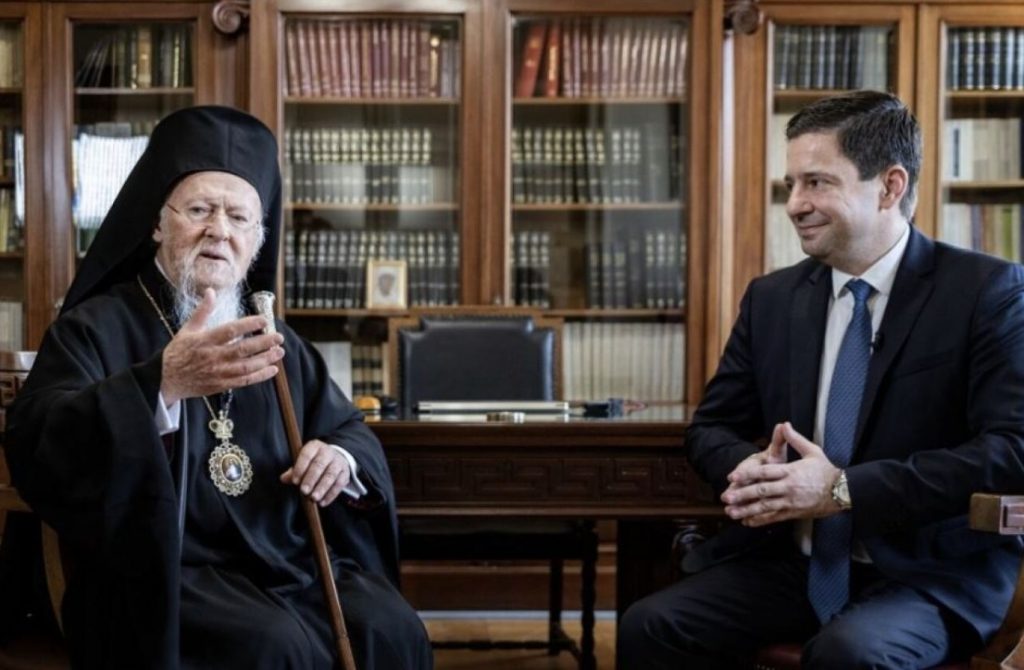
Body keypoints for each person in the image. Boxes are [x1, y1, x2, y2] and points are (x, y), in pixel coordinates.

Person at [5, 106, 433, 670]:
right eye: (199, 210)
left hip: (285, 561)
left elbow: (348, 429)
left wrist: (340, 458)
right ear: (157, 224)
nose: (219, 231)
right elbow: (39, 438)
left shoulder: (274, 339)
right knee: (273, 646)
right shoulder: (94, 327)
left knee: (391, 626)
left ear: (257, 240)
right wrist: (161, 384)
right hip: (161, 570)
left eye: (239, 217)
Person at [617, 90, 1024, 668]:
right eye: (791, 185)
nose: (795, 204)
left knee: (846, 654)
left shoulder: (987, 292)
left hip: (924, 574)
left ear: (889, 186)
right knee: (649, 626)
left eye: (817, 183)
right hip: (790, 564)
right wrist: (754, 470)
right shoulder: (772, 298)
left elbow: (1011, 450)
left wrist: (842, 489)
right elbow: (710, 428)